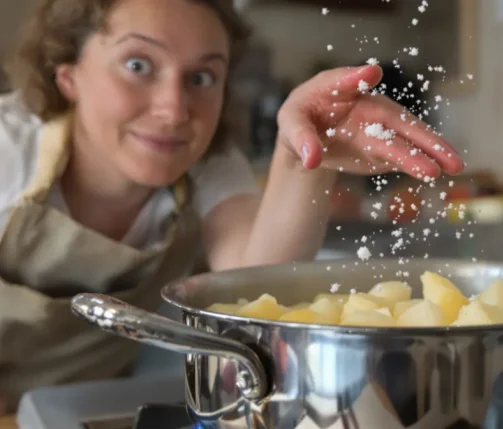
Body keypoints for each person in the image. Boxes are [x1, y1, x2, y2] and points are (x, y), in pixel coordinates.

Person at [0, 0, 464, 414]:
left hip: (78, 404)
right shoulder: (8, 150)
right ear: (68, 75)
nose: (174, 108)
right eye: (138, 64)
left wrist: (305, 155)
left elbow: (257, 288)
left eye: (202, 77)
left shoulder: (209, 163)